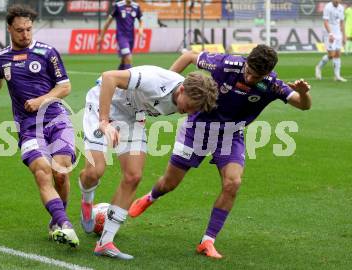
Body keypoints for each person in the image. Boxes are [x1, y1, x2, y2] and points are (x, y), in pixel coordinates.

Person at [129, 45, 312, 259]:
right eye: (249, 71)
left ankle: (207, 240)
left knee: (232, 183)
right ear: (246, 61)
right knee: (169, 184)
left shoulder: (272, 85)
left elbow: (303, 105)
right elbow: (188, 56)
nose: (251, 77)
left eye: (257, 76)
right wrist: (167, 88)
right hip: (197, 129)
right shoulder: (226, 64)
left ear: (267, 73)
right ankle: (151, 197)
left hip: (231, 135)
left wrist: (303, 93)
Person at [0, 4, 79, 247]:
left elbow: (65, 87)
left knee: (60, 172)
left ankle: (57, 220)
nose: (25, 34)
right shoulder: (1, 58)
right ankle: (65, 224)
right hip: (28, 126)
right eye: (19, 30)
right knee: (42, 172)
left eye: (28, 29)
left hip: (57, 120)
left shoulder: (48, 53)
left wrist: (40, 101)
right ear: (9, 29)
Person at [78, 65, 219, 259]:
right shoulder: (154, 80)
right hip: (103, 104)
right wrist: (104, 121)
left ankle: (105, 242)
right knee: (95, 172)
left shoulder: (183, 95)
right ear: (182, 90)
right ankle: (87, 200)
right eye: (190, 106)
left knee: (133, 176)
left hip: (132, 117)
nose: (190, 112)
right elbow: (109, 77)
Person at [96, 0, 144, 70]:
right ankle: (129, 78)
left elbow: (141, 20)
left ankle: (119, 76)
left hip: (131, 37)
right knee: (128, 57)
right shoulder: (118, 6)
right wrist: (101, 36)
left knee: (124, 60)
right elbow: (108, 22)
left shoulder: (136, 6)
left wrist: (140, 29)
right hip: (121, 37)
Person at [315, 0, 347, 82]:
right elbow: (325, 22)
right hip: (329, 33)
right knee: (331, 54)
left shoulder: (341, 8)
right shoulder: (328, 7)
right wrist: (330, 34)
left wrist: (344, 35)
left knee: (338, 54)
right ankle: (318, 67)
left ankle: (337, 76)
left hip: (338, 33)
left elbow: (342, 22)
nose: (337, 1)